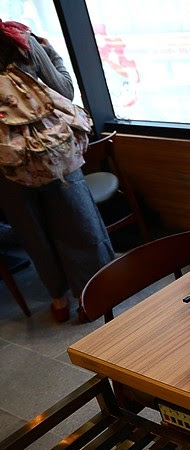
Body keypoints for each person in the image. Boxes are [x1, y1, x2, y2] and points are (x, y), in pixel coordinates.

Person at [0, 20, 114, 322]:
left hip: (6, 160)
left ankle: (58, 299)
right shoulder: (20, 39)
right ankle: (89, 296)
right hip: (52, 150)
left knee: (31, 231)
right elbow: (63, 90)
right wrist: (52, 55)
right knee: (78, 222)